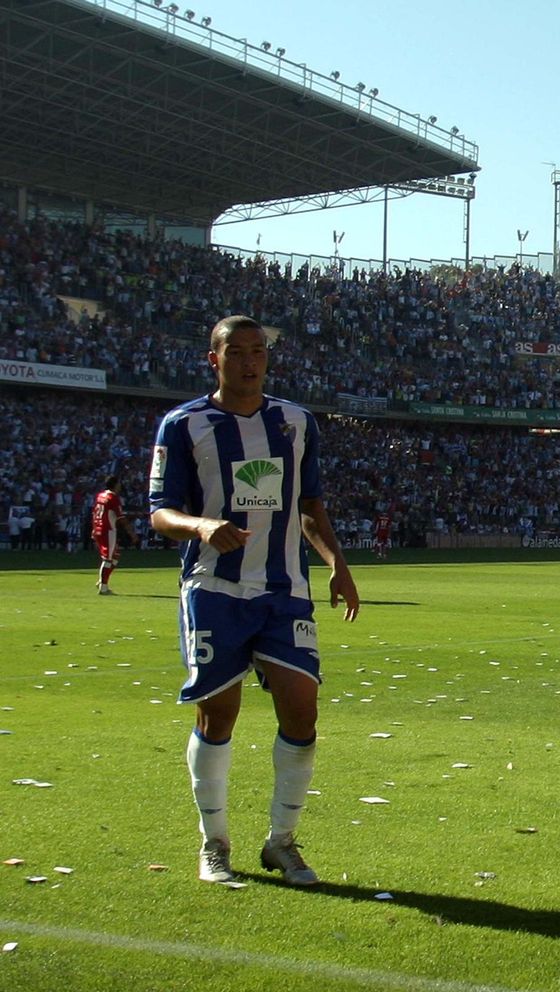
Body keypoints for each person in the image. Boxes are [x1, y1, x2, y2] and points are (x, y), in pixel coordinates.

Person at [148, 315, 360, 887]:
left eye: (258, 351)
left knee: (302, 709)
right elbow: (159, 511)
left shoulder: (295, 422)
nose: (249, 361)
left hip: (284, 589)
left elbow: (309, 505)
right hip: (215, 587)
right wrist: (199, 526)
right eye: (235, 351)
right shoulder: (183, 425)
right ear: (212, 359)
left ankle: (281, 842)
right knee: (219, 713)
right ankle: (213, 842)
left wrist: (337, 563)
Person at [91, 475, 137, 594]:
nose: (120, 486)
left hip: (99, 528)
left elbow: (95, 512)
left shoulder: (100, 496)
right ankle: (103, 587)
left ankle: (102, 581)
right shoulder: (113, 498)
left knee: (115, 555)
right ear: (115, 485)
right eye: (119, 483)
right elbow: (120, 517)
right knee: (108, 558)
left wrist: (93, 529)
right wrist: (131, 532)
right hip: (108, 530)